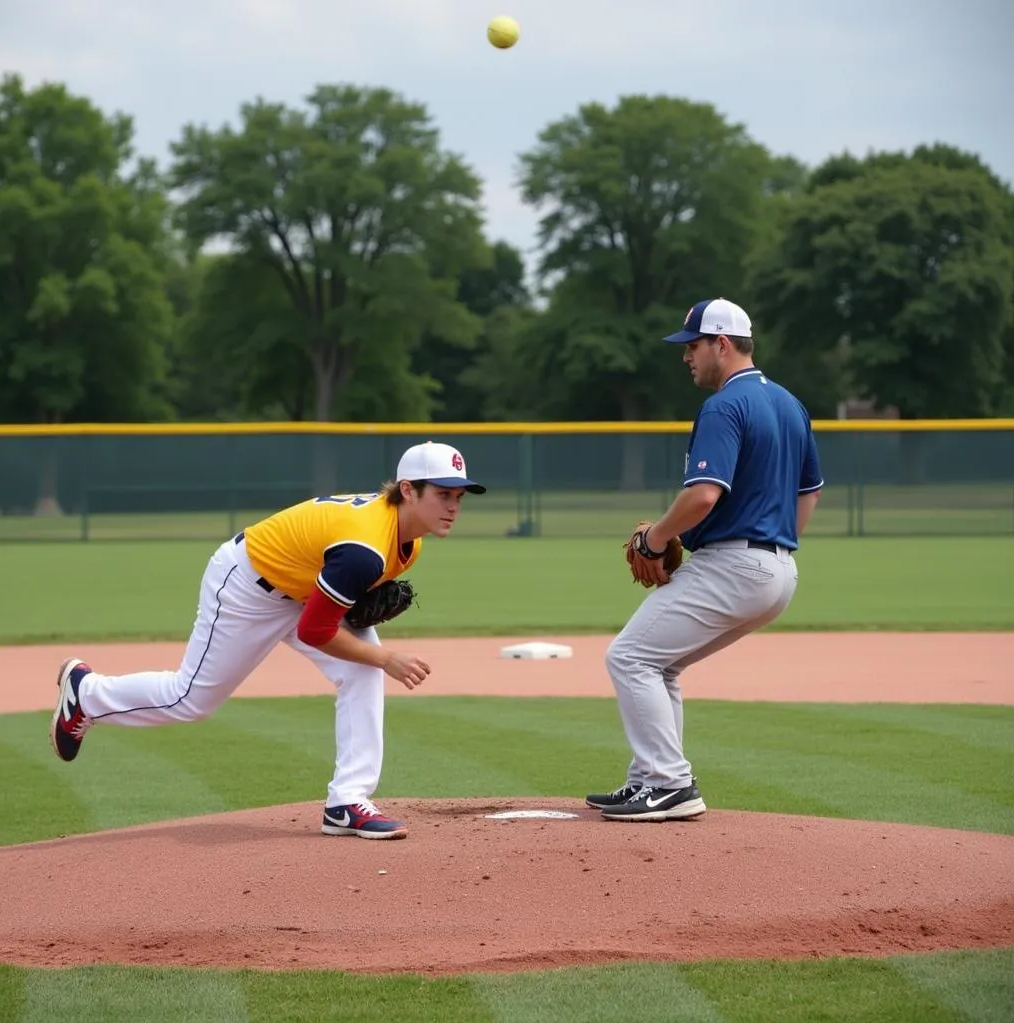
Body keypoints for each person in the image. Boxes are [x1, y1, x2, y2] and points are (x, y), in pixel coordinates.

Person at [50, 441, 486, 841]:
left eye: (458, 497)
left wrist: (369, 648)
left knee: (360, 670)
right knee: (190, 700)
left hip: (299, 588)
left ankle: (346, 803)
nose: (453, 506)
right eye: (443, 494)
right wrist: (385, 656)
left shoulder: (409, 541)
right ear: (408, 491)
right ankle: (86, 695)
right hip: (245, 586)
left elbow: (326, 604)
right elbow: (314, 631)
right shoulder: (365, 547)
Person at [587, 298, 824, 822]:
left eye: (692, 345)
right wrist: (777, 546)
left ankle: (670, 784)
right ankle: (650, 779)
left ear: (721, 344)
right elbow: (808, 495)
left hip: (734, 563)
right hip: (780, 571)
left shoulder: (724, 405)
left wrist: (654, 539)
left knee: (629, 658)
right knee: (660, 663)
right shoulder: (789, 403)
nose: (686, 356)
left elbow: (703, 496)